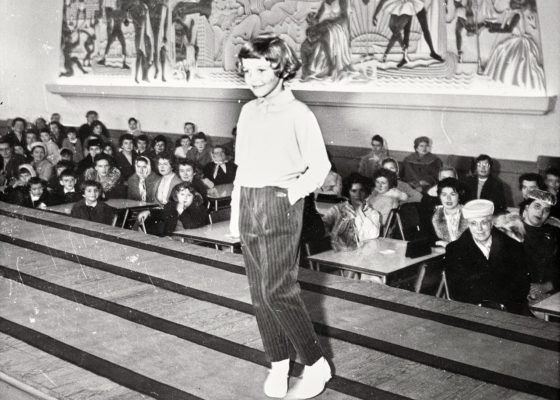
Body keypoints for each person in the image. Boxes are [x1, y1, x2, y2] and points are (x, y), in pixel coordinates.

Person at [230, 34, 332, 399]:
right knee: (259, 294)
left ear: (281, 67)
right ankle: (278, 364)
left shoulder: (298, 113)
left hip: (279, 202)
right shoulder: (248, 111)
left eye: (261, 69)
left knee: (278, 290)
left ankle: (317, 364)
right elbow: (241, 167)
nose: (253, 77)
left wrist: (287, 194)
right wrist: (235, 214)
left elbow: (320, 167)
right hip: (249, 203)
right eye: (246, 71)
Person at [445, 199, 530, 314]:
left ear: (491, 223)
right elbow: (456, 291)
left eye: (484, 222)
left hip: (510, 311)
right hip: (473, 311)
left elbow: (522, 285)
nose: (479, 229)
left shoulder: (513, 246)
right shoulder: (454, 250)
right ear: (468, 225)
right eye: (473, 223)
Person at [322, 174, 381, 268]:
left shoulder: (373, 213)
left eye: (361, 190)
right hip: (340, 255)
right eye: (354, 191)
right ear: (348, 192)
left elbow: (374, 235)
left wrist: (360, 212)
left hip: (363, 257)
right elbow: (324, 229)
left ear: (366, 192)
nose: (358, 194)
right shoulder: (338, 210)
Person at [519, 190, 559, 309]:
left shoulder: (555, 234)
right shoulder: (511, 231)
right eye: (537, 206)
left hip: (549, 295)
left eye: (546, 210)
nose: (540, 212)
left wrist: (548, 286)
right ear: (527, 207)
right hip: (518, 295)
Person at [431, 177, 468, 247]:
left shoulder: (469, 213)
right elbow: (430, 239)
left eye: (452, 194)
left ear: (459, 195)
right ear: (439, 196)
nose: (448, 198)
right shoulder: (435, 216)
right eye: (444, 195)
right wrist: (440, 243)